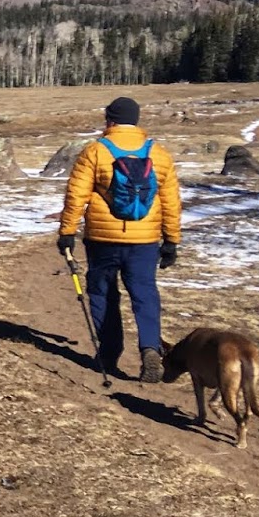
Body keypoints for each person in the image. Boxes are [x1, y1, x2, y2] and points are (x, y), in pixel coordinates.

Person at [57, 96, 181, 382]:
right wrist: (171, 240)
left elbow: (76, 196)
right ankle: (150, 347)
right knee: (145, 293)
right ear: (136, 120)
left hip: (102, 237)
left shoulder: (95, 152)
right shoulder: (159, 154)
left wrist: (67, 232)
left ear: (109, 120)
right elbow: (171, 201)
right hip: (145, 240)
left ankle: (110, 351)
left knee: (103, 292)